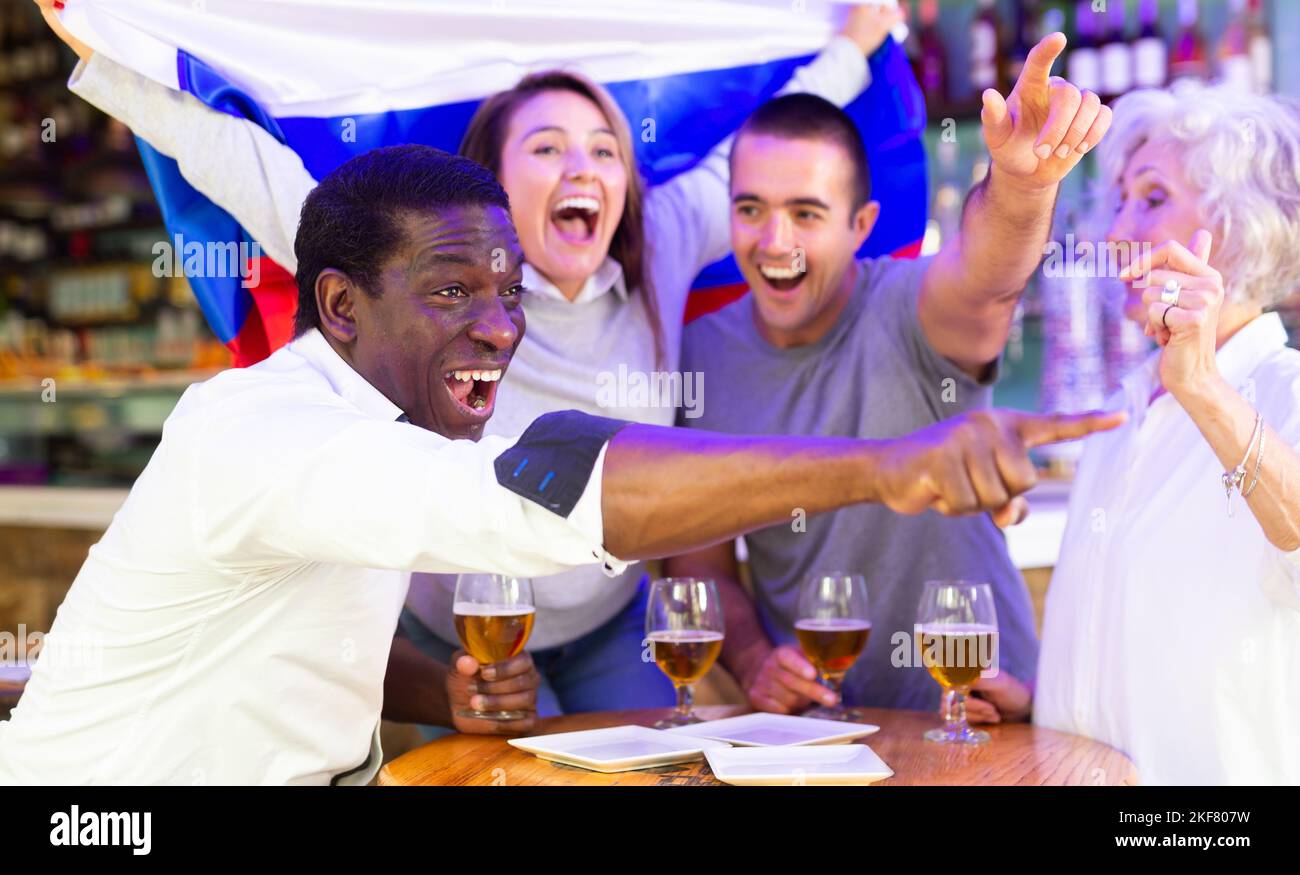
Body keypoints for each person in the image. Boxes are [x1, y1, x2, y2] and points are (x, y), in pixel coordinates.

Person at [0, 143, 1120, 784]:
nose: (498, 327)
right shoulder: (267, 428)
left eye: (509, 293)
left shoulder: (374, 432)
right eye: (451, 291)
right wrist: (882, 465)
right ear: (338, 305)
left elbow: (295, 618)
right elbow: (547, 494)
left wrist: (431, 686)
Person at [32, 0, 907, 722]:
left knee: (652, 769)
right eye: (549, 148)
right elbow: (245, 167)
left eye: (604, 149)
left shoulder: (664, 240)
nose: (584, 166)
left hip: (610, 622)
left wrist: (855, 44)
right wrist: (111, 51)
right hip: (459, 633)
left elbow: (749, 148)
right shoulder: (414, 274)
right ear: (491, 191)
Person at [667, 32, 1114, 714]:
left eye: (806, 214)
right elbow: (701, 565)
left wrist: (1023, 186)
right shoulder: (700, 353)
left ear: (861, 225)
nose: (773, 241)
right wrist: (757, 662)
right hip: (821, 734)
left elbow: (987, 279)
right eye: (750, 209)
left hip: (979, 708)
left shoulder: (912, 307)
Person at [961, 81, 1300, 785]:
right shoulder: (1124, 410)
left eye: (1150, 198)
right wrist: (1048, 708)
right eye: (1118, 200)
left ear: (1236, 227)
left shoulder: (1281, 385)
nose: (1116, 232)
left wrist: (1201, 383)